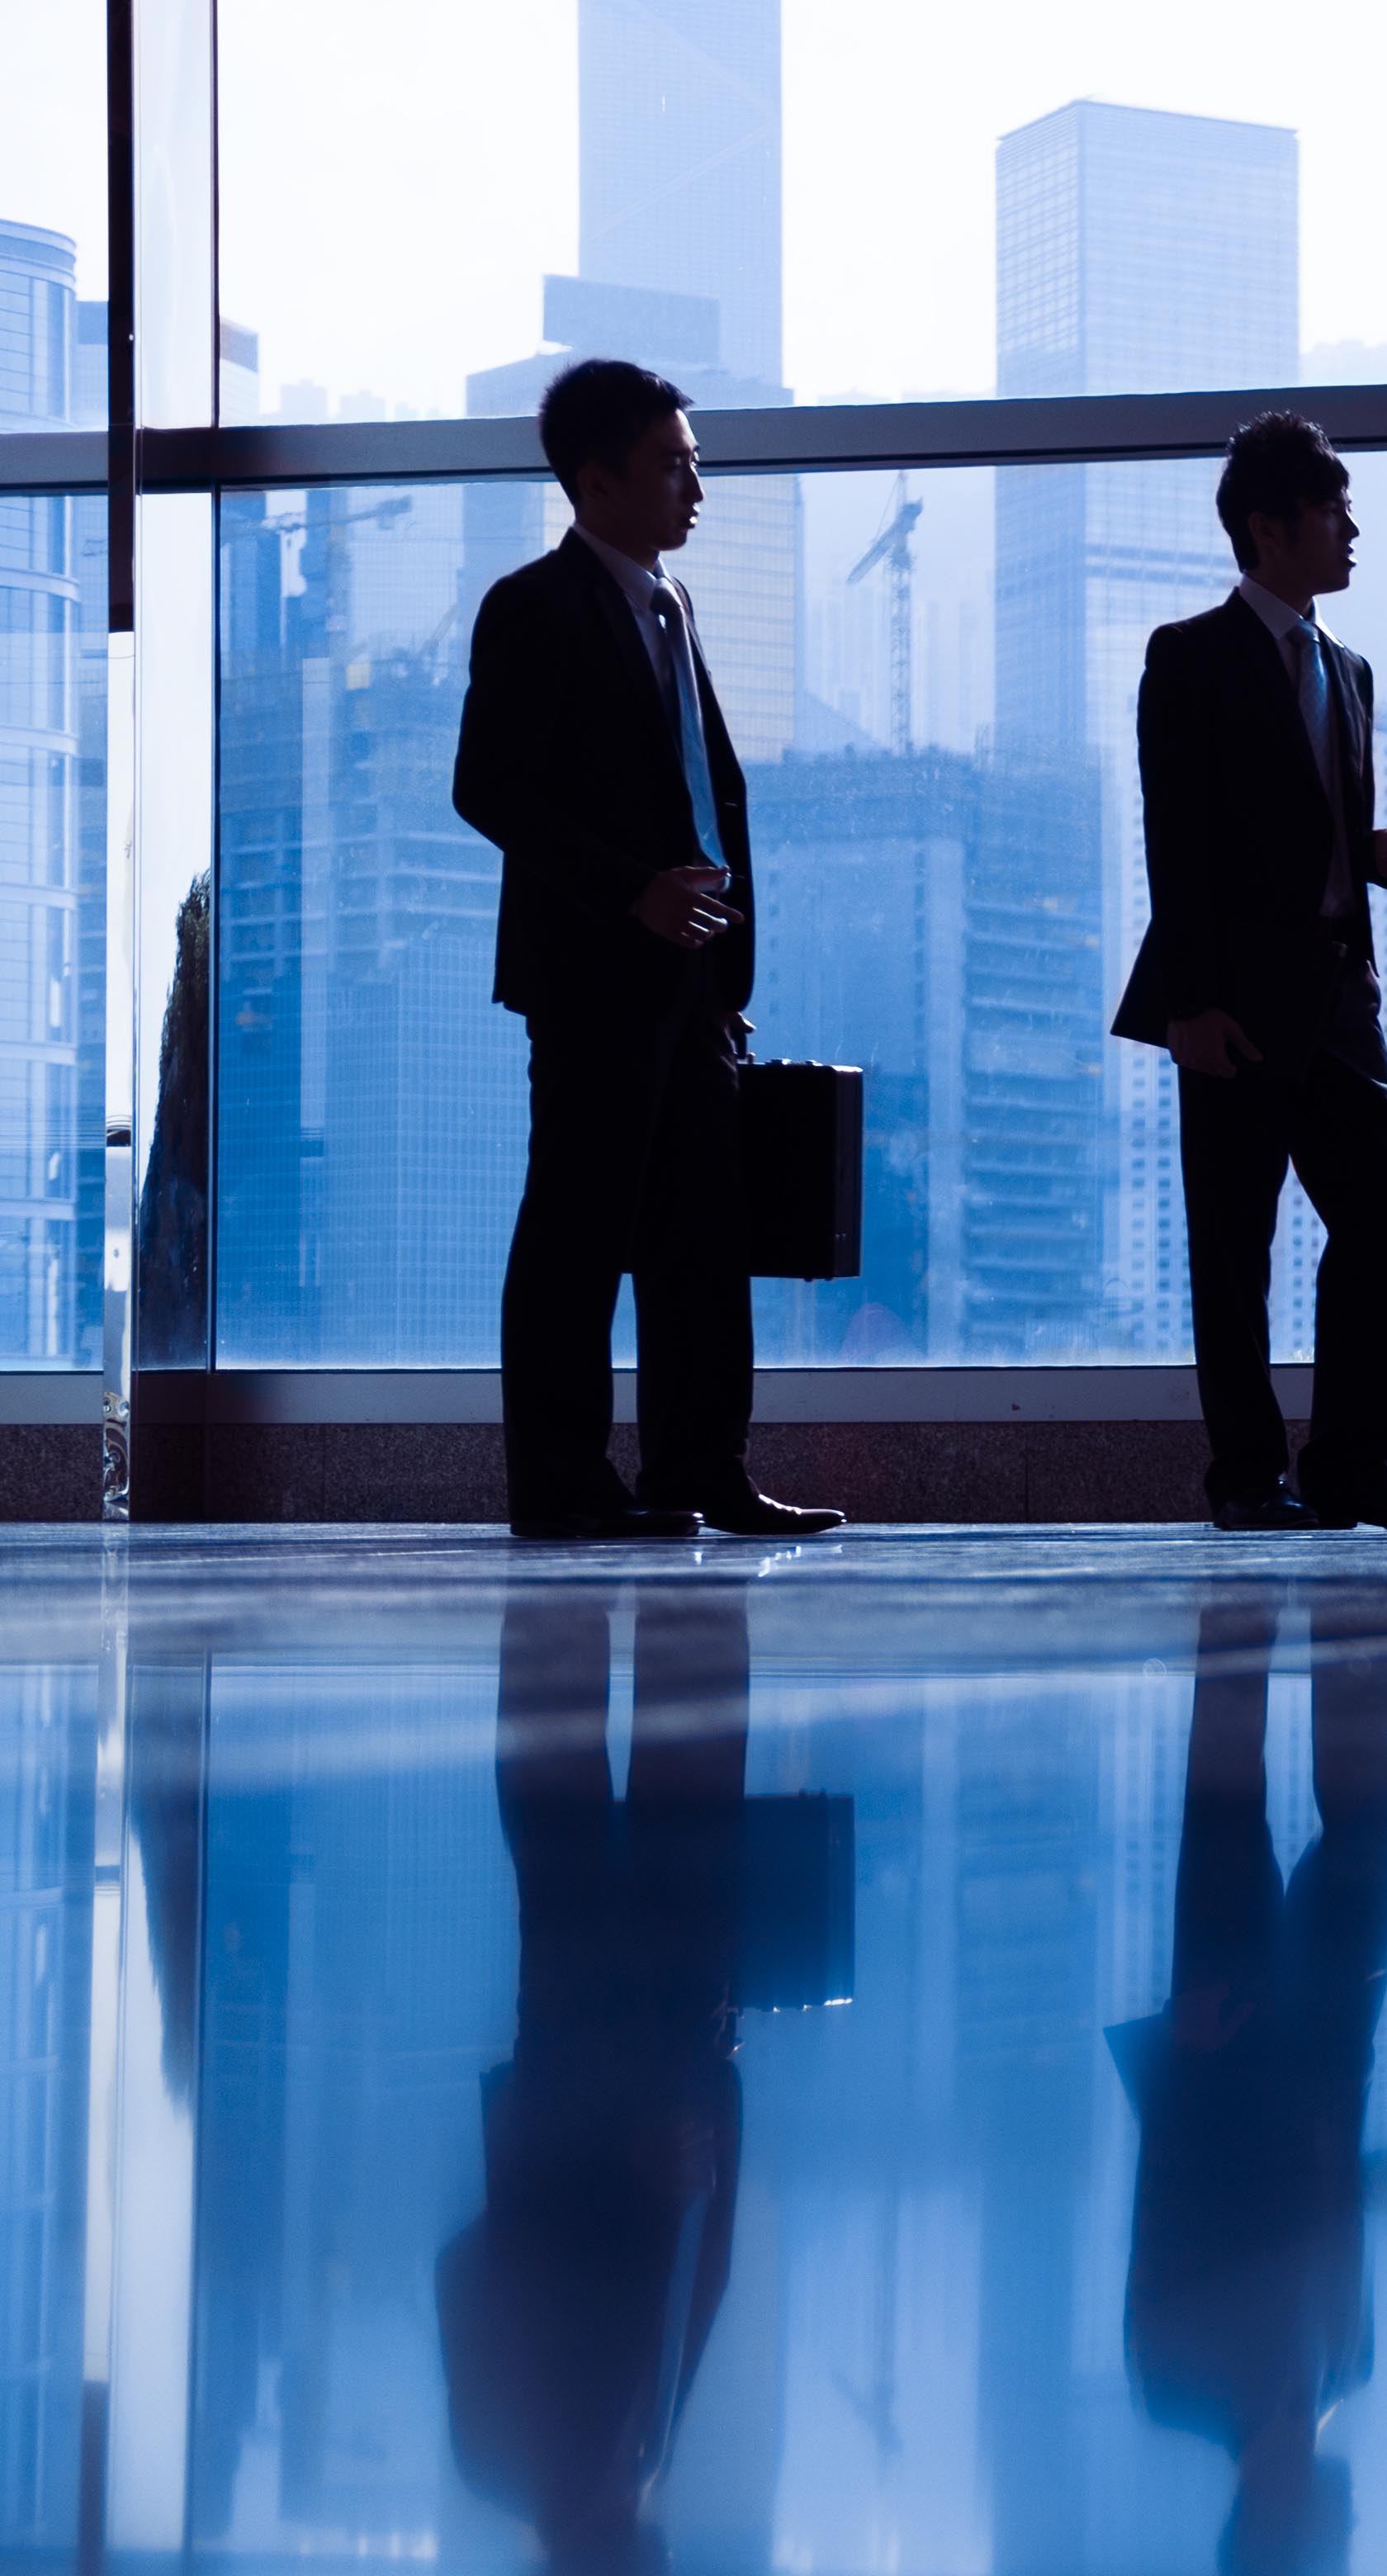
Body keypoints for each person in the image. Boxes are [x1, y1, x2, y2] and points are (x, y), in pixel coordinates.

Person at [452, 358, 840, 1541]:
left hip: (691, 982)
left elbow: (706, 798)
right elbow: (491, 789)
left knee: (700, 1240)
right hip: (592, 980)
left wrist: (724, 974)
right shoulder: (535, 606)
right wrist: (633, 898)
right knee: (576, 1231)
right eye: (674, 464)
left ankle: (698, 1470)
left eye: (696, 463)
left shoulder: (675, 610)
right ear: (595, 477)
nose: (696, 489)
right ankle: (564, 1485)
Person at [1110, 413, 1387, 1532]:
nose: (1353, 531)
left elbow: (1308, 827)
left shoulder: (1349, 670)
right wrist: (1187, 1008)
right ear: (1268, 528)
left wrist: (1374, 853)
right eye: (1332, 512)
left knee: (1374, 1222)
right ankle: (1248, 1479)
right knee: (1234, 1250)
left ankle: (1351, 1469)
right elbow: (1181, 836)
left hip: (1336, 996)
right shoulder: (1190, 655)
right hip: (1234, 1005)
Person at [436, 1584, 754, 2576]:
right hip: (672, 2048)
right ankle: (678, 1559)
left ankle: (565, 1582)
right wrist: (713, 2123)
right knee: (680, 1784)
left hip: (583, 2051)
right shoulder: (644, 2453)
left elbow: (477, 2267)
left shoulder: (508, 2459)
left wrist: (628, 2162)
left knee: (574, 1809)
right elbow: (698, 2259)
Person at [1119, 1582, 1387, 2576]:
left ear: (1284, 2530)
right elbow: (1334, 2199)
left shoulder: (1173, 2386)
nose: (1358, 2527)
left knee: (1226, 1798)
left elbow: (1155, 2213)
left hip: (1224, 2045)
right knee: (1369, 1830)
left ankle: (1241, 1601)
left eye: (1341, 2546)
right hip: (1329, 2047)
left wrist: (1176, 2047)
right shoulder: (1351, 2361)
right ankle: (1357, 1610)